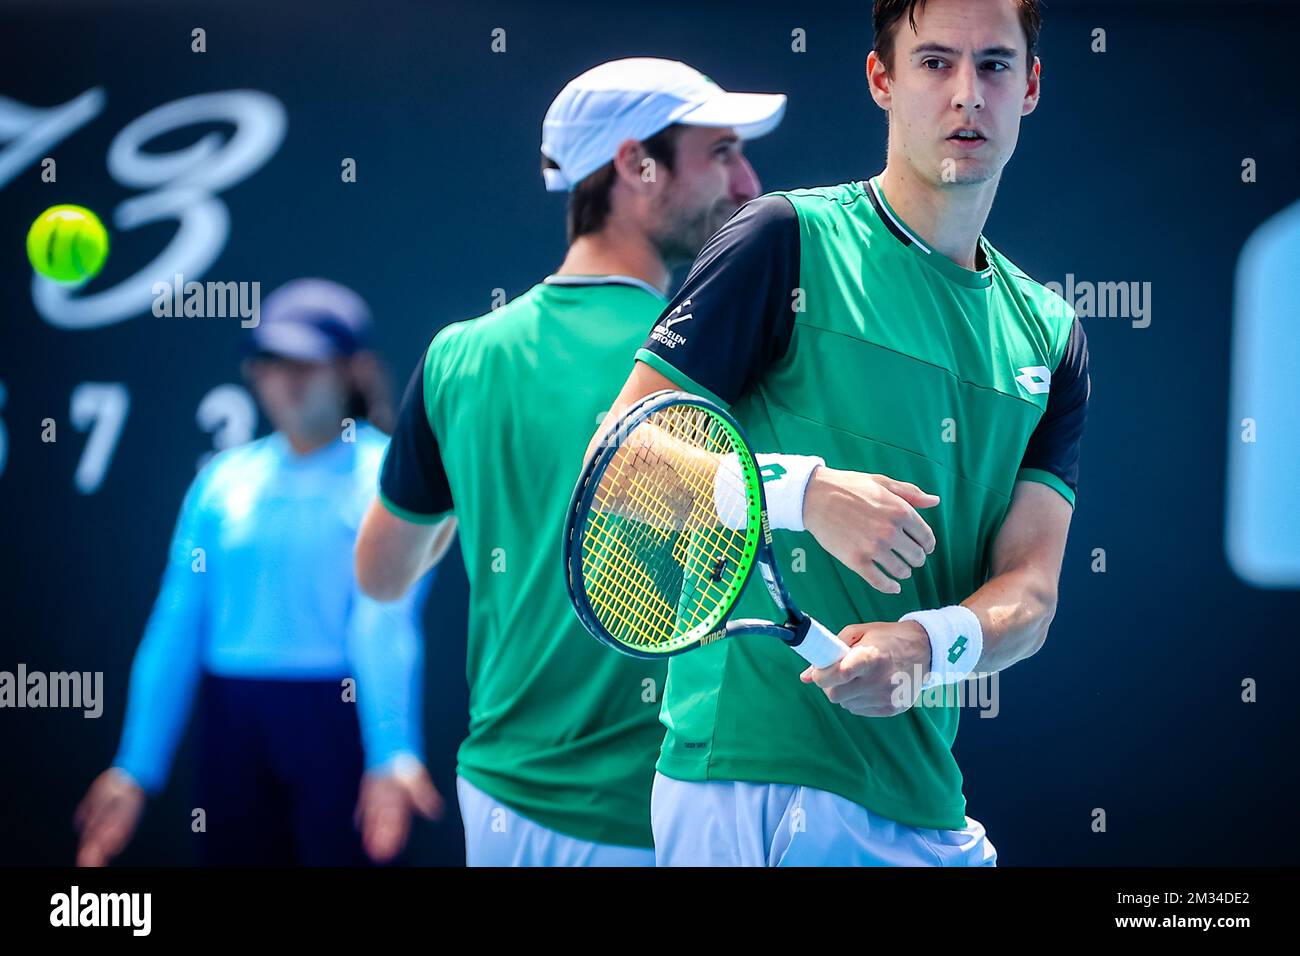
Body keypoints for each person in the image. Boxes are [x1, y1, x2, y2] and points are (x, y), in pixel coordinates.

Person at [594, 0, 1090, 866]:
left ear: (1032, 85)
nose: (968, 95)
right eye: (935, 63)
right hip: (747, 782)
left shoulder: (1053, 338)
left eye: (995, 66)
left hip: (919, 795)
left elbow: (1032, 596)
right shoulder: (782, 239)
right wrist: (800, 494)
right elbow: (618, 462)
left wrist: (927, 645)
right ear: (882, 80)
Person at [354, 58, 786, 866]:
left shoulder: (457, 358)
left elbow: (381, 575)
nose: (746, 182)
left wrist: (483, 486)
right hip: (663, 817)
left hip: (502, 807)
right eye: (721, 152)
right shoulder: (727, 363)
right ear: (634, 164)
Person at [75, 279, 451, 867]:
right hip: (232, 726)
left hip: (336, 726)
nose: (290, 380)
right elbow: (176, 626)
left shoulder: (389, 475)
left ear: (351, 370)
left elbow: (384, 624)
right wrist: (135, 769)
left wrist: (391, 753)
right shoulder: (221, 481)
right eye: (275, 362)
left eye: (309, 362)